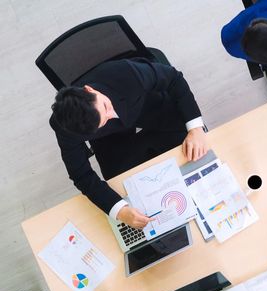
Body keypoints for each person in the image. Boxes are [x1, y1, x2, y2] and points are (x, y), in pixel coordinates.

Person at [50, 58, 210, 228]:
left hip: (151, 109)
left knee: (194, 157)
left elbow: (174, 78)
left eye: (105, 106)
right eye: (103, 121)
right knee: (128, 189)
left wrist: (195, 129)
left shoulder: (125, 73)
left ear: (89, 90)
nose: (111, 115)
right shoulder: (64, 126)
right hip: (111, 141)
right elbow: (81, 175)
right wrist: (120, 211)